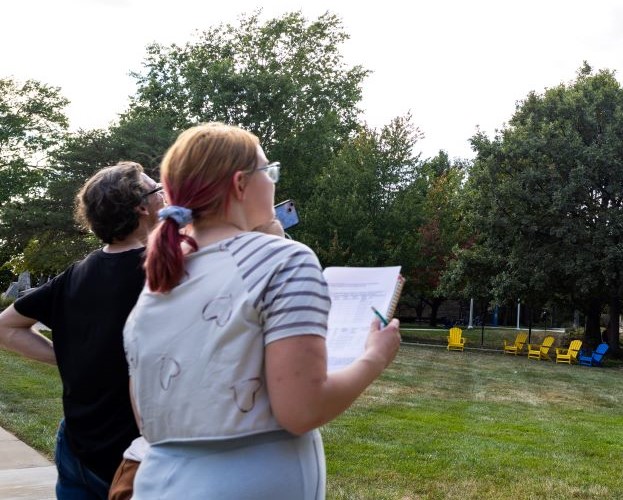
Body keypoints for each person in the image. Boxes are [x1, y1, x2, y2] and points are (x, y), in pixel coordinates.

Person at [124, 123, 402, 498]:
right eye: (269, 172)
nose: (273, 182)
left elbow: (147, 416)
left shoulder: (160, 282)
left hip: (158, 482)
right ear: (240, 184)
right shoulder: (286, 260)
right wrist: (375, 358)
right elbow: (302, 410)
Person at [0, 162, 165, 499]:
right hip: (134, 456)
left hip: (77, 446)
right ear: (142, 206)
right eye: (155, 187)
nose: (164, 191)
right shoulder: (162, 271)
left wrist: (70, 358)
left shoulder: (77, 273)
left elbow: (6, 327)